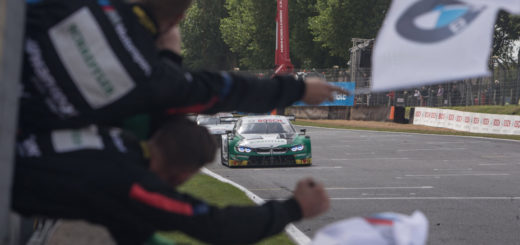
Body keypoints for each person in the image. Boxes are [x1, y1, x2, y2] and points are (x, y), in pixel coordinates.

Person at [19, 0, 345, 134]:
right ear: (178, 20)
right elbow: (221, 90)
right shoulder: (152, 78)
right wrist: (298, 88)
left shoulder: (85, 6)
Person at [13, 117, 330, 245]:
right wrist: (293, 208)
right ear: (183, 175)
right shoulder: (133, 186)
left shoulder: (112, 140)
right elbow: (215, 224)